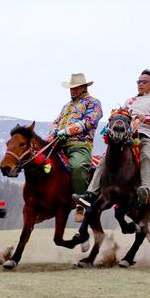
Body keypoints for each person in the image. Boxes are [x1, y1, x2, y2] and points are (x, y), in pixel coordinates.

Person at [74, 69, 150, 207]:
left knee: (146, 155)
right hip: (127, 135)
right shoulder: (129, 101)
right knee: (105, 159)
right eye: (139, 81)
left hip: (146, 135)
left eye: (144, 82)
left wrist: (146, 118)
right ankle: (90, 194)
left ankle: (145, 188)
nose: (140, 84)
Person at [47, 73, 103, 203]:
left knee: (78, 167)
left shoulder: (94, 103)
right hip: (57, 143)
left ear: (84, 87)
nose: (72, 91)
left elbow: (89, 122)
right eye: (71, 88)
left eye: (76, 88)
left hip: (79, 145)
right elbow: (56, 121)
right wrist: (54, 130)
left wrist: (65, 131)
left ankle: (82, 201)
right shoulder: (66, 106)